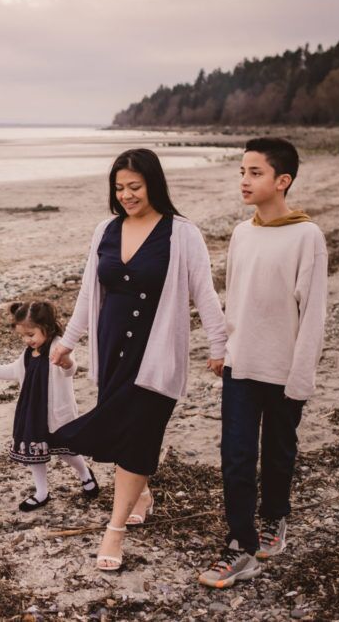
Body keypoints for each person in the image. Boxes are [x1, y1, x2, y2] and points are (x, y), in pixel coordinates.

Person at [49, 148, 226, 571]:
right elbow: (89, 294)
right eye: (119, 188)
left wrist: (220, 346)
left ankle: (114, 531)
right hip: (112, 348)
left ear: (153, 185)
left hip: (158, 351)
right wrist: (68, 341)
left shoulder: (182, 233)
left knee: (140, 433)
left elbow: (204, 292)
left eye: (135, 187)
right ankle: (140, 494)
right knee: (124, 430)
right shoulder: (106, 231)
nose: (126, 195)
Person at [199, 137, 327, 589]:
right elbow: (235, 299)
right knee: (235, 457)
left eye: (255, 173)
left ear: (282, 180)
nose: (245, 180)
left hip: (283, 369)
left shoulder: (307, 236)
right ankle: (241, 545)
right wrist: (224, 350)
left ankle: (275, 517)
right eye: (242, 172)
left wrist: (301, 378)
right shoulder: (241, 233)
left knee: (277, 451)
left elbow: (313, 313)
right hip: (241, 366)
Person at [0, 301, 100, 512]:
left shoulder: (59, 347)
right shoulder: (28, 353)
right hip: (32, 413)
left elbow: (70, 370)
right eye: (23, 336)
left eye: (30, 334)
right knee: (34, 453)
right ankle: (42, 492)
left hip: (56, 413)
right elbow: (13, 371)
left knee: (66, 451)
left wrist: (66, 362)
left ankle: (85, 474)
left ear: (46, 327)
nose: (27, 340)